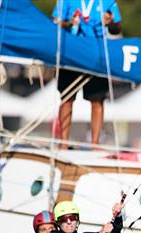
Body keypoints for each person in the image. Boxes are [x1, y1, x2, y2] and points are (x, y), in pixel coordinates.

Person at [51, 0, 122, 149]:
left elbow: (117, 29)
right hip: (71, 52)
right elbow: (55, 22)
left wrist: (110, 22)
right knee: (67, 98)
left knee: (97, 100)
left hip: (96, 54)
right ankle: (63, 143)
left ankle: (95, 145)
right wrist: (69, 23)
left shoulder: (107, 2)